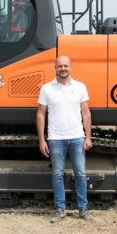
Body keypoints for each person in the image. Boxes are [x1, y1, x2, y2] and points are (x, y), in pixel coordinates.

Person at [36, 55, 93, 223]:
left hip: (77, 137)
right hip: (55, 139)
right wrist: (42, 139)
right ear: (55, 68)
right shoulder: (47, 89)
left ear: (70, 67)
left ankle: (82, 209)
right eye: (60, 66)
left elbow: (86, 113)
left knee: (81, 174)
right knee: (57, 174)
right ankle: (60, 210)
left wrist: (88, 137)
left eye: (66, 66)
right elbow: (40, 114)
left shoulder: (80, 87)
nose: (63, 68)